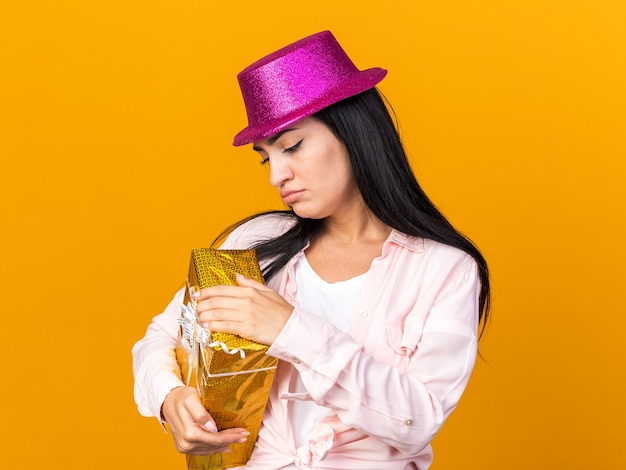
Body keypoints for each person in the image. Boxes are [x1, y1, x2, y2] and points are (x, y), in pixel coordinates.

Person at [132, 30, 490, 469]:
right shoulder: (256, 245)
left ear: (356, 133)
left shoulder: (444, 270)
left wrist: (290, 329)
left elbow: (417, 420)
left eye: (293, 147)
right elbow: (161, 338)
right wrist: (171, 397)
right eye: (266, 158)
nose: (276, 176)